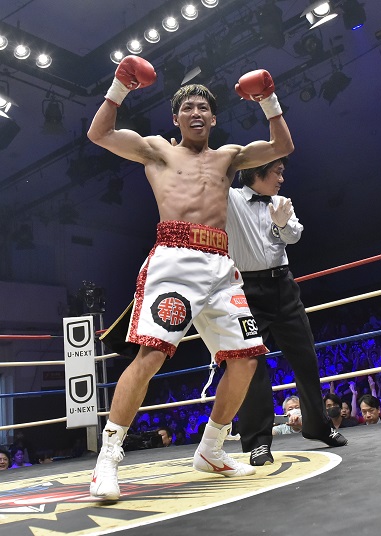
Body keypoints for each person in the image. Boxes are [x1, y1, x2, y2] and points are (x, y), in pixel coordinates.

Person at [86, 56, 294, 500]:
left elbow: (282, 145)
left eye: (203, 108)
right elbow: (99, 134)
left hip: (221, 265)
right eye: (188, 108)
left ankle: (212, 449)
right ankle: (107, 458)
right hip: (174, 261)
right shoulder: (158, 150)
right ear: (176, 118)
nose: (196, 113)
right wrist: (120, 88)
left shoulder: (229, 157)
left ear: (214, 118)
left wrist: (268, 100)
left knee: (246, 358)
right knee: (151, 357)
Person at [226, 157, 347, 466]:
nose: (282, 178)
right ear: (257, 171)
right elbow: (214, 174)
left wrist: (281, 222)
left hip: (283, 286)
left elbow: (294, 235)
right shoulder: (232, 199)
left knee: (305, 357)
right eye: (277, 172)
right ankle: (258, 441)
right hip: (246, 291)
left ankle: (318, 426)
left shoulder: (281, 201)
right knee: (252, 365)